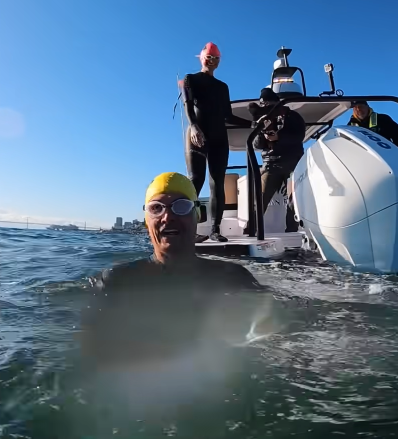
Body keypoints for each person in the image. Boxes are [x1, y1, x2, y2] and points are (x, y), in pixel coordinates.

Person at [80, 172, 270, 367]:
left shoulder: (235, 278)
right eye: (156, 208)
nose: (168, 216)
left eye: (181, 206)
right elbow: (93, 350)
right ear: (147, 220)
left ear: (198, 216)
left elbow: (270, 335)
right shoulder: (115, 282)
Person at [181, 42, 250, 243]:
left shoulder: (222, 87)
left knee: (217, 183)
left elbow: (228, 116)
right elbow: (188, 104)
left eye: (216, 59)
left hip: (219, 138)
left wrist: (253, 122)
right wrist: (194, 126)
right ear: (201, 58)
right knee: (196, 181)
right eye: (209, 57)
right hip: (197, 134)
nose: (212, 61)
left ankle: (215, 230)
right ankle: (187, 230)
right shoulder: (190, 79)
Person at [247, 88, 305, 234]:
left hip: (293, 164)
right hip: (271, 165)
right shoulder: (260, 118)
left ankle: (292, 231)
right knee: (259, 199)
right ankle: (251, 230)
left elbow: (298, 136)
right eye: (264, 105)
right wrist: (262, 132)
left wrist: (279, 137)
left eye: (270, 104)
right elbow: (255, 145)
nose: (267, 108)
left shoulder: (293, 117)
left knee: (295, 200)